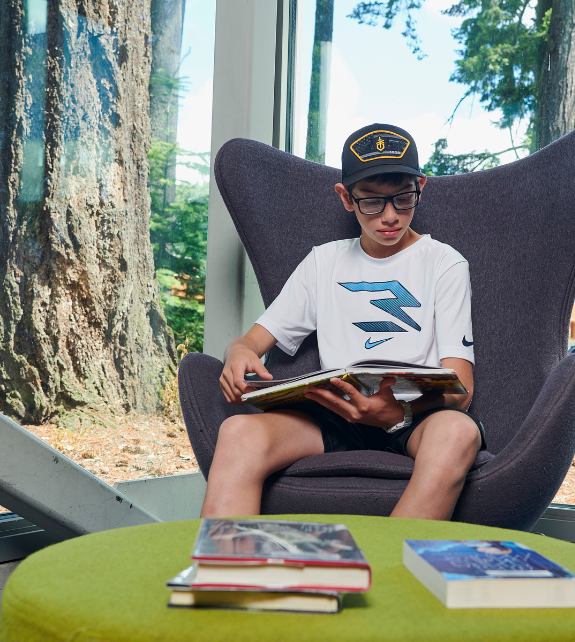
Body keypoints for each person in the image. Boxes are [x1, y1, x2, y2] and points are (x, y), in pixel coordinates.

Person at [201, 123, 485, 521]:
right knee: (237, 433)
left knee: (459, 433)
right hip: (336, 413)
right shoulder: (324, 261)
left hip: (414, 415)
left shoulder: (445, 263)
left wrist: (397, 413)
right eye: (371, 202)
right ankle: (227, 576)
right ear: (345, 198)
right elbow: (250, 342)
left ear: (421, 185)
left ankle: (388, 576)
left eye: (404, 199)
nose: (390, 216)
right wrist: (238, 352)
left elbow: (462, 389)